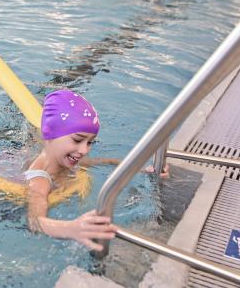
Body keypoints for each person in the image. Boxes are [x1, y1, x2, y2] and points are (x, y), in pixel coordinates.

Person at [24, 90, 168, 250]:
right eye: (78, 140)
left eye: (90, 142)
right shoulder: (40, 179)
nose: (84, 150)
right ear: (49, 133)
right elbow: (35, 221)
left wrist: (144, 169)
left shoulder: (68, 160)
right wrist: (71, 229)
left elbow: (105, 161)